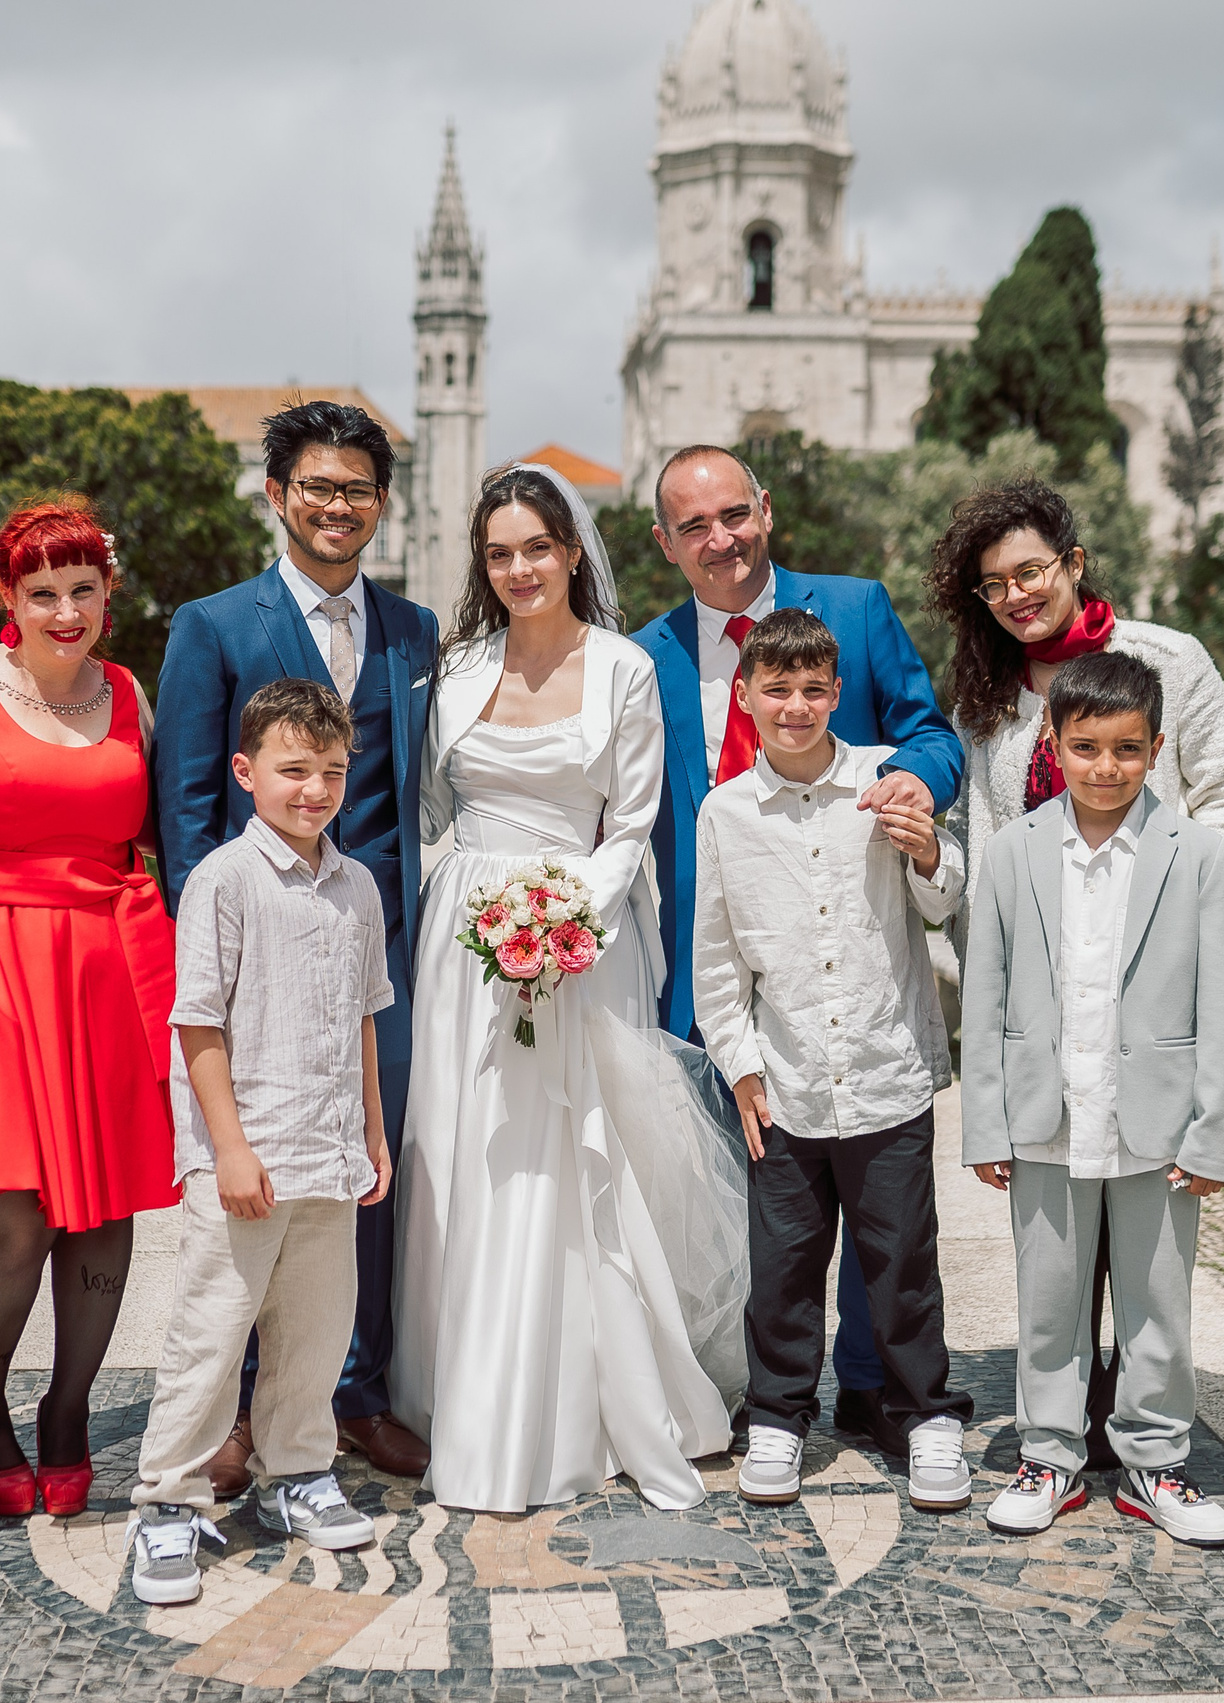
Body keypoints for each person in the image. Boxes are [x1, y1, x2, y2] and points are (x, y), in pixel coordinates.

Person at [392, 463, 748, 1514]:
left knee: (568, 1156)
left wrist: (563, 923)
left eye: (536, 548)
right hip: (465, 938)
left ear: (572, 552)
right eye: (499, 553)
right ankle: (459, 1386)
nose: (519, 570)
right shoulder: (457, 668)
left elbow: (631, 823)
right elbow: (428, 811)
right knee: (467, 1148)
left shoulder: (623, 670)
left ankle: (584, 1399)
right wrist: (471, 912)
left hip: (577, 934)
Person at [630, 443, 964, 1457]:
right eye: (694, 525)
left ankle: (876, 1384)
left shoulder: (853, 611)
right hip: (712, 967)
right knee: (751, 1203)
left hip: (853, 955)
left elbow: (930, 731)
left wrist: (913, 789)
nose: (720, 539)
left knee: (878, 1199)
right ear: (665, 543)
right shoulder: (642, 656)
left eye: (734, 514)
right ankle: (753, 1389)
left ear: (765, 510)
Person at [929, 475, 1224, 1470]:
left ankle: (1143, 1425)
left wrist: (1170, 899)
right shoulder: (986, 699)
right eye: (994, 584)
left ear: (1073, 561)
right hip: (1045, 1000)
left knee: (1150, 1233)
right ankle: (1059, 1429)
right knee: (1056, 1243)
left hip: (1150, 984)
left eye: (1031, 570)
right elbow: (976, 841)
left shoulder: (1169, 661)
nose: (1016, 595)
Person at [153, 401, 436, 1490]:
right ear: (278, 494)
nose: (336, 505)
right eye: (316, 486)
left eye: (357, 488)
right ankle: (237, 1409)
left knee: (365, 1170)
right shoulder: (213, 625)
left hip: (380, 944)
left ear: (382, 501)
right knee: (253, 1177)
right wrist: (215, 956)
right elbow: (186, 806)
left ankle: (352, 1393)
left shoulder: (415, 630)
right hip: (256, 952)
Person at [0, 498, 176, 1520]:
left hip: (111, 966)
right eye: (43, 593)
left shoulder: (130, 690)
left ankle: (68, 1413)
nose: (66, 611)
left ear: (109, 594)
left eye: (83, 590)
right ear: (8, 597)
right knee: (14, 1213)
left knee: (105, 1209)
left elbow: (166, 834)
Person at [961, 650, 1224, 1550]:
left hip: (1157, 1125)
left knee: (1159, 1303)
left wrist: (1214, 1133)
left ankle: (1157, 1461)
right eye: (1086, 746)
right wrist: (985, 1122)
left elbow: (1223, 1000)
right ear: (1053, 743)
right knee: (1049, 1301)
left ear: (1157, 748)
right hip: (1046, 1119)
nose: (1106, 766)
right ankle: (1048, 1455)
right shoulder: (1011, 851)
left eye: (1128, 748)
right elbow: (985, 994)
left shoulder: (1197, 853)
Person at [690, 609, 975, 1514]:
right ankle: (779, 1416)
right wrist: (741, 1065)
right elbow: (717, 962)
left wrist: (928, 850)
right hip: (787, 1084)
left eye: (814, 689)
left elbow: (943, 901)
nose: (796, 705)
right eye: (777, 689)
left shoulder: (886, 782)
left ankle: (927, 1412)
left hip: (887, 1072)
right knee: (784, 1266)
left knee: (902, 1263)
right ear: (745, 696)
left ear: (838, 693)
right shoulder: (724, 813)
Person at [127, 680, 393, 1606]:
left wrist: (374, 1129)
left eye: (332, 771)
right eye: (293, 770)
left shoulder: (358, 885)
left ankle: (297, 1471)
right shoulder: (223, 880)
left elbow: (365, 1016)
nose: (314, 789)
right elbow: (196, 1022)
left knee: (315, 1331)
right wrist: (229, 1148)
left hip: (330, 1148)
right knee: (212, 1331)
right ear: (245, 772)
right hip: (247, 1151)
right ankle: (168, 1500)